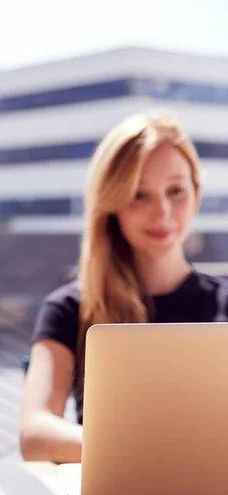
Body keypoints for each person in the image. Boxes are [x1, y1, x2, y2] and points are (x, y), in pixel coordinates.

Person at [19, 112, 228, 464]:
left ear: (196, 192)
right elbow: (35, 434)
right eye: (138, 195)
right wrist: (150, 451)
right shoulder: (69, 307)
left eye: (176, 190)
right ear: (111, 205)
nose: (162, 212)